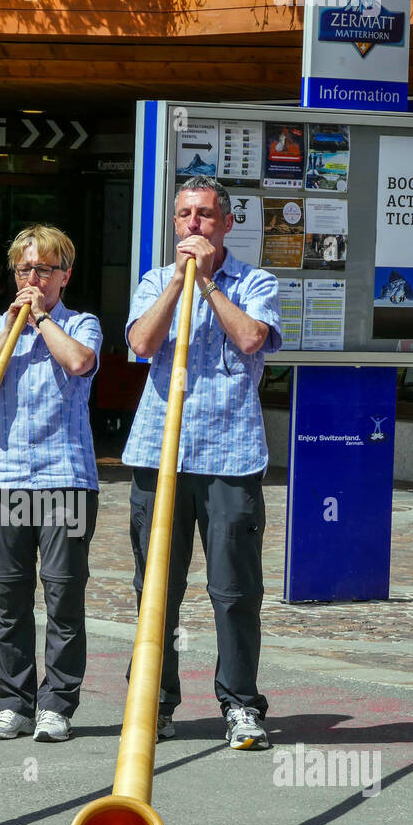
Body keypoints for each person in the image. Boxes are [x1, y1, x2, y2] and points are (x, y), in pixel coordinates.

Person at [123, 175, 281, 750]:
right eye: (185, 215)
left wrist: (210, 284)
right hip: (157, 457)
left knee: (234, 590)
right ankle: (154, 702)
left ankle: (240, 704)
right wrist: (178, 286)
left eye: (206, 216)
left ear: (227, 224)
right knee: (155, 589)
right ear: (174, 224)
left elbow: (251, 340)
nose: (194, 224)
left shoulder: (256, 281)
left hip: (230, 457)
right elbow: (141, 345)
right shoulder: (152, 281)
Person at [0, 225, 102, 743]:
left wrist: (40, 317)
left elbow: (80, 363)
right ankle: (14, 703)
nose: (33, 279)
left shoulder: (81, 323)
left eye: (44, 269)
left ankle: (57, 704)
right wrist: (10, 331)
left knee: (64, 597)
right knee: (10, 598)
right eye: (25, 269)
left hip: (66, 480)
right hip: (5, 481)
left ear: (64, 275)